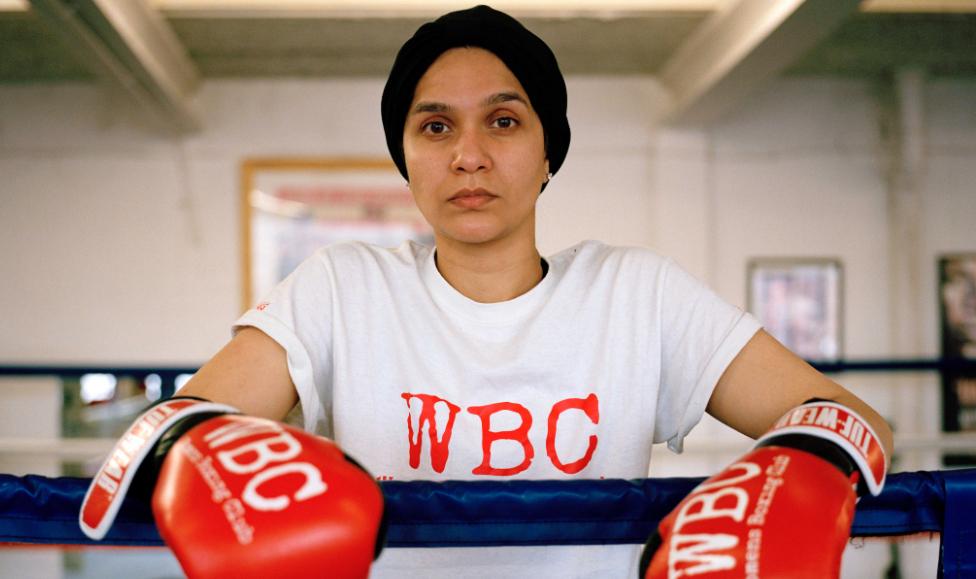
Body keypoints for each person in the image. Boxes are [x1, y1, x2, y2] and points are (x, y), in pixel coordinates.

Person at [81, 5, 893, 578]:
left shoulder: (637, 294)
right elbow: (187, 419)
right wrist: (218, 465)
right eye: (435, 127)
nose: (468, 154)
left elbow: (853, 418)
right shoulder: (342, 288)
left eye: (503, 122)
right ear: (407, 158)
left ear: (549, 153)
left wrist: (794, 475)